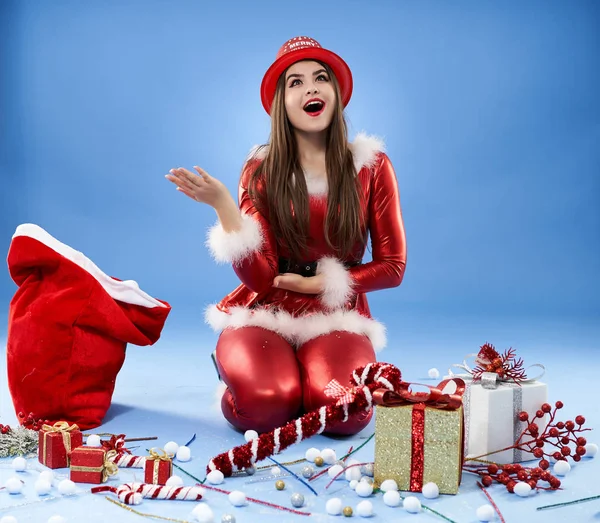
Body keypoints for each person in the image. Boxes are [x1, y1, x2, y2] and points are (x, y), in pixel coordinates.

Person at [165, 36, 407, 436]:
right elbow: (261, 278)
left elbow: (393, 267)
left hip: (335, 313)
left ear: (335, 93)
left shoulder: (372, 166)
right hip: (266, 308)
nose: (310, 87)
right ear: (282, 104)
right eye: (295, 82)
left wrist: (320, 283)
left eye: (320, 78)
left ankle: (303, 378)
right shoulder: (261, 168)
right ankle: (261, 376)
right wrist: (225, 206)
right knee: (264, 407)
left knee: (346, 413)